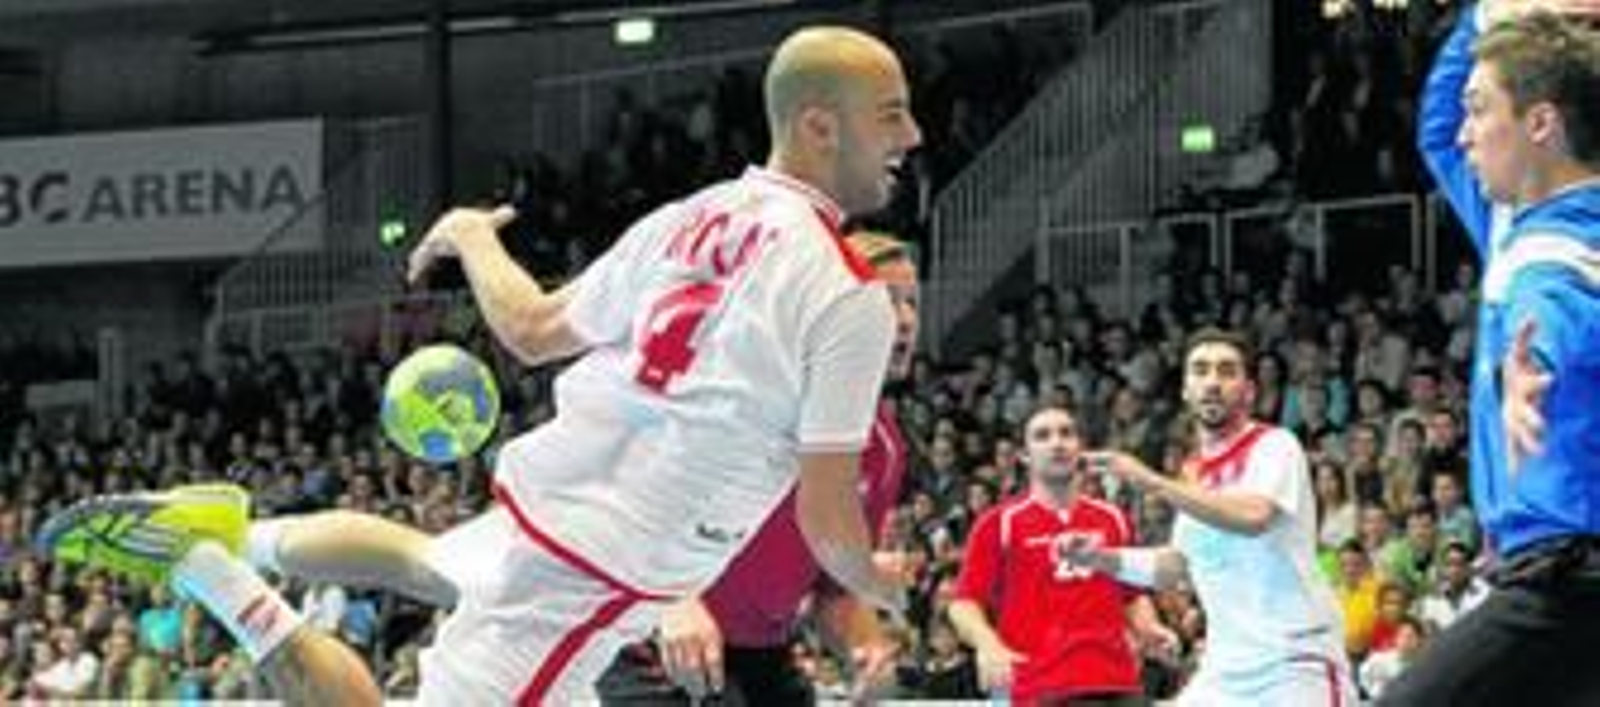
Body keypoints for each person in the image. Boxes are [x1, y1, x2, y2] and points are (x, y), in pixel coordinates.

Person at [38, 24, 923, 705]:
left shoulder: (688, 217)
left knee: (427, 561)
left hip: (562, 513)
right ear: (818, 123)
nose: (914, 134)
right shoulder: (848, 294)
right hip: (597, 573)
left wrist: (470, 235)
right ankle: (211, 565)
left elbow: (534, 328)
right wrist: (876, 580)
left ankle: (239, 536)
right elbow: (829, 522)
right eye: (892, 112)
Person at [1380, 4, 1600, 704]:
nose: (1465, 136)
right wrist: (1488, 14)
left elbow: (1559, 306)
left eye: (1482, 111)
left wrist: (1535, 369)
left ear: (1541, 123)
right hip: (1540, 569)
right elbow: (1439, 126)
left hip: (1570, 575)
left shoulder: (1552, 246)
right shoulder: (1513, 217)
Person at [595, 231, 920, 705]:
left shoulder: (884, 448)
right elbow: (627, 503)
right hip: (656, 633)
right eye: (887, 301)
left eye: (912, 302)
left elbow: (836, 591)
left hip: (763, 654)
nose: (907, 320)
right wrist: (674, 604)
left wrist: (865, 648)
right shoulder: (741, 396)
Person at [1065, 327, 1354, 705]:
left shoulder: (1274, 445)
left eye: (1226, 371)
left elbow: (1253, 517)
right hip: (1226, 670)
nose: (1212, 382)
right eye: (1200, 371)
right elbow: (1178, 565)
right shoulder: (1194, 473)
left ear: (1249, 391)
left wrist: (1149, 480)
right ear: (1186, 390)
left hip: (1295, 663)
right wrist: (1101, 558)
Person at [948, 403, 1176, 705]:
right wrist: (987, 643)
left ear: (1080, 448)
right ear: (1025, 456)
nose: (1057, 443)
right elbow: (963, 603)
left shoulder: (1113, 518)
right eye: (1043, 436)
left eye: (1066, 433)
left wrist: (1149, 627)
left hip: (1116, 682)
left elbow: (1131, 595)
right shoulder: (999, 523)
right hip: (1038, 687)